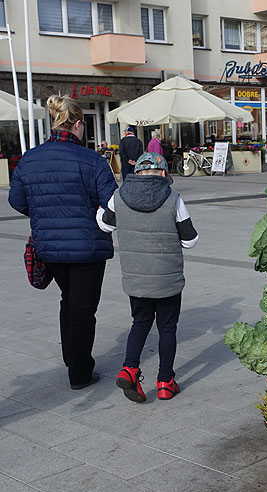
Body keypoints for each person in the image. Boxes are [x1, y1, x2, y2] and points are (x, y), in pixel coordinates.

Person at [9, 94, 117, 390]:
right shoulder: (92, 160)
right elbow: (111, 202)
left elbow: (16, 200)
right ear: (78, 125)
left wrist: (45, 212)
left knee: (68, 301)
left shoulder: (30, 158)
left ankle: (72, 359)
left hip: (49, 247)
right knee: (83, 309)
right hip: (87, 246)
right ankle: (80, 372)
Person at [96, 152, 199, 403]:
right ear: (163, 174)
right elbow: (190, 240)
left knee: (140, 322)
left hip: (136, 278)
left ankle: (129, 368)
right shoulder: (174, 199)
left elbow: (105, 226)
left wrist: (99, 212)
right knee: (167, 328)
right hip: (167, 280)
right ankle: (165, 381)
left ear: (137, 173)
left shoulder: (117, 197)